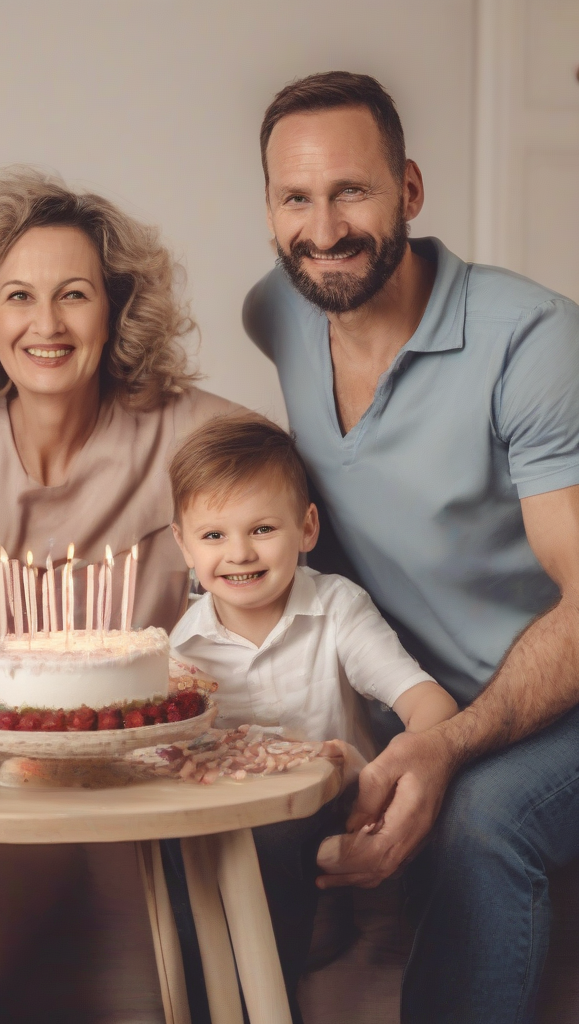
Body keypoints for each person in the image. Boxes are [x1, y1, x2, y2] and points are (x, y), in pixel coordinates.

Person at [242, 70, 579, 1024]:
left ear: (411, 191)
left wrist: (447, 746)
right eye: (295, 199)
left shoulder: (535, 343)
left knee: (482, 820)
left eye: (353, 190)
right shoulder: (278, 312)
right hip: (421, 697)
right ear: (269, 211)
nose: (325, 228)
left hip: (560, 701)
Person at [0, 166, 237, 1019]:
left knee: (150, 994)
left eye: (74, 295)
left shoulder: (190, 433)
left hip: (140, 788)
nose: (47, 324)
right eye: (18, 297)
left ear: (114, 310)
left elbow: (286, 505)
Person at [168, 414, 457, 1021]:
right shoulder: (181, 648)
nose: (240, 552)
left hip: (334, 811)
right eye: (214, 536)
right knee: (181, 842)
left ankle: (269, 1002)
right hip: (231, 830)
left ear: (306, 528)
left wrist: (387, 776)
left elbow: (428, 704)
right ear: (183, 545)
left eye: (263, 528)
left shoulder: (337, 608)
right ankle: (212, 1003)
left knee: (282, 827)